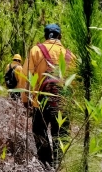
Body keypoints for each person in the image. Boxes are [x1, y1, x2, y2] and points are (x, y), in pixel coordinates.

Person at [22, 23, 74, 169]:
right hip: (64, 103)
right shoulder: (71, 55)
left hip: (41, 103)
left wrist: (26, 100)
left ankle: (45, 166)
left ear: (45, 36)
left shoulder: (36, 50)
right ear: (60, 36)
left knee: (40, 133)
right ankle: (61, 166)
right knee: (61, 136)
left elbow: (27, 77)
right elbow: (75, 85)